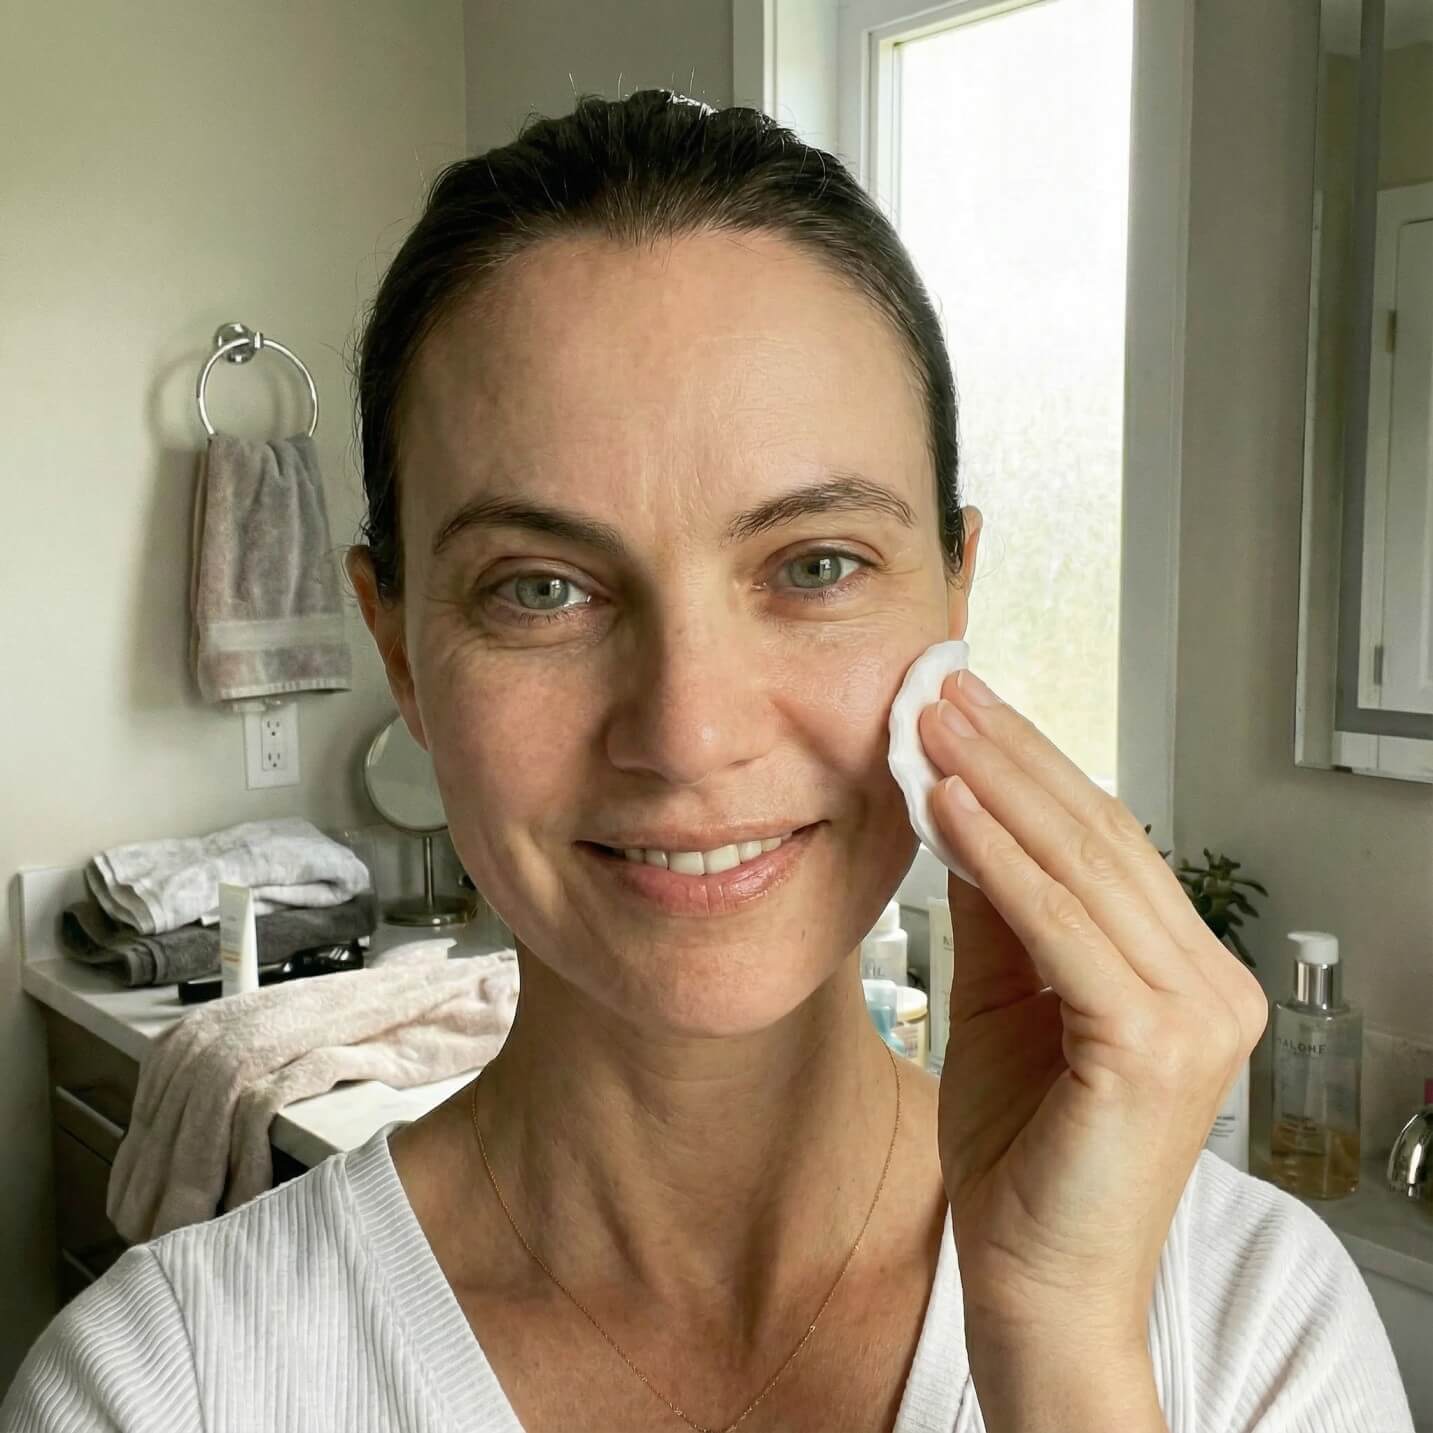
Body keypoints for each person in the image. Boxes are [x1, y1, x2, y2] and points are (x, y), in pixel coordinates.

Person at [3, 89, 1414, 1433]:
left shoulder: (1244, 1326)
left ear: (952, 592)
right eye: (539, 587)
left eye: (812, 563)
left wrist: (1060, 1357)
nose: (686, 733)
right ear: (397, 646)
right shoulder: (168, 1387)